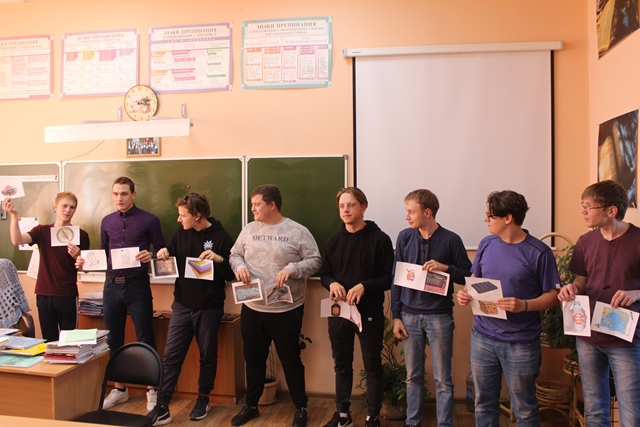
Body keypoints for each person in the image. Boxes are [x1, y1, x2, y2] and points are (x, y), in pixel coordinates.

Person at [456, 190, 559, 427]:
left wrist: (524, 305)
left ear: (508, 218)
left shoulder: (539, 252)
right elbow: (475, 279)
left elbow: (553, 296)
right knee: (483, 404)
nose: (486, 219)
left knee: (524, 409)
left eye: (491, 215)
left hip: (521, 343)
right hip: (482, 337)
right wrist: (466, 294)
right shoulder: (486, 244)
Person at [229, 184, 321, 427]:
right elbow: (234, 254)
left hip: (285, 310)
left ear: (272, 205)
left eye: (257, 204)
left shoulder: (297, 231)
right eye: (252, 204)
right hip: (253, 307)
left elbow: (315, 260)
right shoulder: (249, 229)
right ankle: (251, 406)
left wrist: (293, 268)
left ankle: (300, 407)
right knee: (253, 359)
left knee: (291, 360)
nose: (252, 208)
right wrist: (240, 267)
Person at [77, 176, 165, 411]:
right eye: (115, 194)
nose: (119, 198)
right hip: (111, 287)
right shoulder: (106, 221)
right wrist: (85, 262)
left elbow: (162, 251)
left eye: (124, 194)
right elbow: (103, 254)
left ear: (133, 194)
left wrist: (152, 256)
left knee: (145, 336)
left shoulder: (150, 220)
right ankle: (120, 389)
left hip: (138, 286)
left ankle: (152, 390)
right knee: (113, 339)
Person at [147, 192, 236, 425]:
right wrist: (163, 253)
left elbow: (231, 274)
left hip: (209, 308)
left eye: (182, 215)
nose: (179, 219)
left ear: (197, 215)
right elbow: (169, 260)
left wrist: (219, 260)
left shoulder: (222, 237)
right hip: (182, 305)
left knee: (207, 355)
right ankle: (162, 405)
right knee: (171, 357)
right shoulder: (180, 233)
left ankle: (203, 398)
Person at [558, 180, 640, 426]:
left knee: (631, 412)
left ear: (611, 211)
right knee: (594, 408)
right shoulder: (585, 241)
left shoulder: (637, 240)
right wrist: (572, 288)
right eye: (582, 205)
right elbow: (581, 280)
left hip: (625, 337)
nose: (583, 211)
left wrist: (636, 293)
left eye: (588, 206)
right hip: (588, 335)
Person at [391, 189, 472, 427]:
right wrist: (396, 316)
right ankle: (412, 422)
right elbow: (396, 277)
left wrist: (446, 268)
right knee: (412, 376)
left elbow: (467, 275)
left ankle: (445, 423)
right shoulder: (404, 237)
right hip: (408, 315)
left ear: (427, 212)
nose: (406, 216)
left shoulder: (451, 239)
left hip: (439, 316)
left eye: (411, 212)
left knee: (443, 379)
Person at [320, 187, 394, 427]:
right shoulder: (333, 241)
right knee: (341, 365)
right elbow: (325, 274)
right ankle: (342, 415)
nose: (345, 210)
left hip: (369, 313)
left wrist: (365, 286)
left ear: (363, 207)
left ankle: (372, 416)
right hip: (339, 313)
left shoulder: (380, 239)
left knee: (372, 366)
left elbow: (389, 278)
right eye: (342, 206)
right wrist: (332, 283)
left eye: (350, 205)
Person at [2, 192, 89, 342]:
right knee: (49, 341)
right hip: (45, 294)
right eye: (64, 206)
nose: (68, 210)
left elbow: (86, 268)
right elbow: (17, 240)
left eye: (72, 207)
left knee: (69, 341)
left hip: (67, 295)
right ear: (55, 207)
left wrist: (78, 256)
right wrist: (14, 215)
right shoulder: (42, 231)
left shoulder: (81, 235)